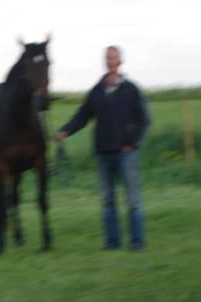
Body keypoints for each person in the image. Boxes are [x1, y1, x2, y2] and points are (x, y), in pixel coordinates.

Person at [53, 46, 150, 250]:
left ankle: (137, 243)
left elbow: (144, 120)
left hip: (126, 154)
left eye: (113, 58)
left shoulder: (131, 89)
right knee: (108, 202)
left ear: (120, 61)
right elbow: (83, 116)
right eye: (107, 58)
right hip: (103, 154)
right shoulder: (96, 91)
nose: (110, 61)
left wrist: (132, 143)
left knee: (133, 201)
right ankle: (112, 243)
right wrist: (65, 132)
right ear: (105, 62)